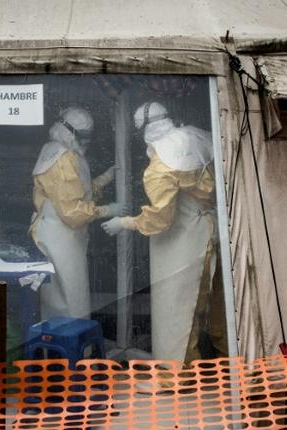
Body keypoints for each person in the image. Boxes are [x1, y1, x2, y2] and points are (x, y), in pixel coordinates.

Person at [101, 101, 227, 362]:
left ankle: (176, 378)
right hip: (210, 230)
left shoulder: (160, 165)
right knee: (217, 307)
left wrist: (124, 222)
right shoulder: (194, 135)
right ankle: (234, 367)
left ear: (144, 131)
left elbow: (160, 219)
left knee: (177, 310)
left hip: (183, 242)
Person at [31, 106, 123, 320]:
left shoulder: (60, 151)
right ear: (70, 133)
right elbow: (72, 212)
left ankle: (60, 350)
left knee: (61, 301)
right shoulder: (62, 159)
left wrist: (105, 178)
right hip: (61, 237)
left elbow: (76, 191)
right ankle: (73, 352)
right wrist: (108, 210)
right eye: (84, 136)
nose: (87, 141)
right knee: (71, 303)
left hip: (59, 236)